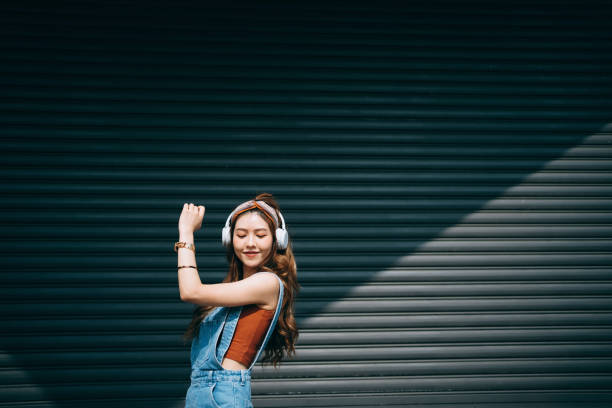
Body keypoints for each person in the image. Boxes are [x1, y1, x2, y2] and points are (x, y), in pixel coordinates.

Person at [175, 193, 299, 407]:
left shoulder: (268, 283)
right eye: (241, 235)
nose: (250, 243)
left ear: (277, 240)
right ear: (229, 239)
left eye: (260, 235)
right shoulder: (233, 289)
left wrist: (186, 233)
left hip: (223, 394)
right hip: (200, 391)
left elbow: (190, 291)